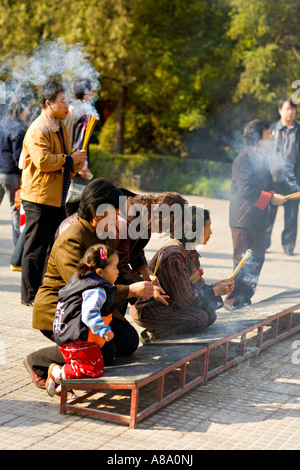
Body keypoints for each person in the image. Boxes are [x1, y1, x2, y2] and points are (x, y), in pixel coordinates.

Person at [24, 178, 167, 389]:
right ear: (97, 213)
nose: (118, 216)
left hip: (92, 304)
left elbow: (113, 269)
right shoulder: (72, 239)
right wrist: (130, 291)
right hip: (64, 308)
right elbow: (84, 286)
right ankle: (38, 360)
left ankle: (79, 354)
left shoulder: (104, 232)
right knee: (104, 353)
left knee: (128, 342)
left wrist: (144, 286)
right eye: (113, 211)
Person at [20, 81, 87, 306]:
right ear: (48, 103)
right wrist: (69, 159)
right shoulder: (38, 128)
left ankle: (47, 290)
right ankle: (29, 296)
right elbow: (42, 161)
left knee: (56, 246)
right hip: (38, 198)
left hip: (58, 197)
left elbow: (66, 158)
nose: (67, 106)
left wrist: (76, 162)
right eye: (63, 101)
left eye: (68, 101)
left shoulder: (62, 127)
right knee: (35, 248)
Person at [130, 206, 234, 342]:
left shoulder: (190, 251)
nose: (211, 232)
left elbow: (195, 287)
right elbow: (184, 298)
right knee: (199, 318)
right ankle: (154, 335)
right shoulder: (174, 254)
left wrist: (216, 286)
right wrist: (214, 291)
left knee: (210, 315)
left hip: (172, 304)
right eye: (207, 226)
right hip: (151, 310)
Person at [225, 119, 286, 310]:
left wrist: (274, 195)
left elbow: (266, 187)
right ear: (256, 139)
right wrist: (270, 198)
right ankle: (233, 301)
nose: (271, 139)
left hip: (259, 218)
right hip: (243, 219)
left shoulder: (262, 158)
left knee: (258, 260)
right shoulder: (243, 159)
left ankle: (245, 299)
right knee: (243, 261)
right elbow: (246, 190)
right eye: (268, 136)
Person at [46, 244, 118, 397]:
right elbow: (89, 314)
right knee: (93, 369)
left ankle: (64, 389)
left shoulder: (81, 280)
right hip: (78, 338)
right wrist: (103, 330)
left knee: (78, 365)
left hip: (67, 334)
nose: (118, 271)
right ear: (99, 272)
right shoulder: (97, 289)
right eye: (114, 268)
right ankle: (58, 373)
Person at [265, 98, 300, 255]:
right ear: (280, 110)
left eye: (293, 109)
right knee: (269, 212)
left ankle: (288, 245)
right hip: (274, 177)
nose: (290, 112)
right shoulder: (272, 130)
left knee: (292, 215)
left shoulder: (299, 130)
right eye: (287, 109)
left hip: (294, 177)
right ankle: (264, 242)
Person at [0, 97, 31, 247]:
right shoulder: (17, 128)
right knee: (15, 211)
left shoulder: (2, 123)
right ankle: (18, 248)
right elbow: (18, 156)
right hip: (10, 174)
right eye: (27, 109)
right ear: (21, 110)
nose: (29, 112)